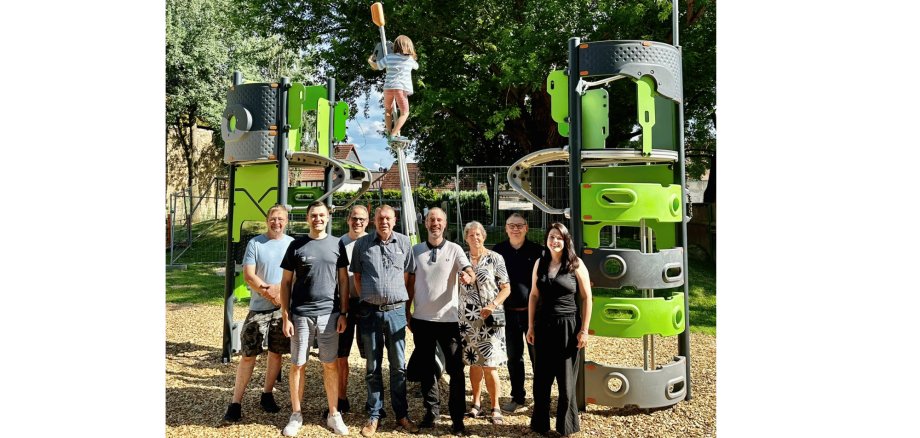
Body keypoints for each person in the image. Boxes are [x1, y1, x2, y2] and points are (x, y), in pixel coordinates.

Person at [279, 201, 349, 436]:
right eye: (313, 215)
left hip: (329, 315)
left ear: (328, 217)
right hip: (300, 315)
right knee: (298, 364)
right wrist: (285, 316)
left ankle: (333, 413)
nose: (318, 219)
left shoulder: (337, 244)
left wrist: (344, 312)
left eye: (321, 215)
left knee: (330, 365)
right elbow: (286, 283)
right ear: (307, 218)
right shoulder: (296, 245)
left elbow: (343, 281)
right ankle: (296, 414)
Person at [350, 204, 420, 437]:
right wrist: (369, 298)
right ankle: (375, 414)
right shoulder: (362, 245)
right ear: (374, 221)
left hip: (397, 312)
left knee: (398, 366)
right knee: (372, 366)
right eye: (380, 218)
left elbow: (409, 276)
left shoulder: (404, 243)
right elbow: (357, 277)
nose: (384, 222)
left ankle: (401, 414)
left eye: (388, 218)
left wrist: (406, 308)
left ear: (395, 219)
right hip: (370, 313)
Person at [223, 204, 294, 422]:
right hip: (259, 308)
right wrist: (269, 291)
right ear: (267, 220)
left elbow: (295, 275)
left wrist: (281, 297)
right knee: (248, 355)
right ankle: (236, 402)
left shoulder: (292, 244)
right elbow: (249, 276)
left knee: (276, 353)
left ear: (286, 221)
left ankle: (267, 393)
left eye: (281, 219)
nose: (277, 222)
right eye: (273, 218)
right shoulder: (255, 243)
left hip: (282, 310)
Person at [407, 208, 475, 435]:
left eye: (439, 220)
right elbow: (409, 284)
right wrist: (408, 311)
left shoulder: (454, 249)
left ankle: (457, 418)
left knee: (456, 370)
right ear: (426, 223)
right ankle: (431, 412)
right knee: (427, 369)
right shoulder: (415, 251)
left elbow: (468, 271)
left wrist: (467, 275)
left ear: (445, 224)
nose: (435, 223)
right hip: (422, 321)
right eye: (431, 220)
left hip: (448, 321)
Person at [526, 222, 593, 436]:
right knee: (542, 380)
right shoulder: (540, 263)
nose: (554, 241)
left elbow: (586, 297)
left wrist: (584, 330)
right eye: (551, 237)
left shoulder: (575, 264)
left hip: (568, 327)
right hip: (543, 326)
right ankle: (540, 425)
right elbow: (534, 295)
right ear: (547, 239)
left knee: (565, 383)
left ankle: (566, 426)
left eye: (559, 238)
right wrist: (530, 326)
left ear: (566, 241)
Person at [459, 221, 511, 425]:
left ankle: (495, 406)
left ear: (484, 236)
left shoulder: (495, 258)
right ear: (466, 238)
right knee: (473, 362)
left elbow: (506, 288)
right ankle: (476, 403)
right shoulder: (461, 258)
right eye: (471, 235)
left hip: (490, 318)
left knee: (490, 364)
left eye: (478, 234)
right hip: (468, 319)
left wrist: (493, 304)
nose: (475, 238)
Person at [491, 213, 544, 413]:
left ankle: (540, 397)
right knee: (514, 357)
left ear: (526, 228)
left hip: (534, 313)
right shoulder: (498, 251)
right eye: (511, 225)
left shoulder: (538, 251)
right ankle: (518, 396)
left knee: (537, 357)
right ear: (505, 228)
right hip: (509, 313)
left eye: (519, 225)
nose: (515, 229)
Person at [330, 205, 370, 418]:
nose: (358, 222)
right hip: (343, 304)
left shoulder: (371, 242)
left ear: (368, 221)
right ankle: (341, 398)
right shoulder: (339, 243)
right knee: (341, 354)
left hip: (365, 304)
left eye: (362, 219)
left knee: (371, 354)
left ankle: (372, 399)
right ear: (348, 219)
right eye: (354, 218)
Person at [367, 35, 419, 140]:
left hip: (388, 87)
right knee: (405, 112)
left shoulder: (389, 57)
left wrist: (370, 61)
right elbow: (416, 66)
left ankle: (389, 132)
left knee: (388, 110)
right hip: (400, 88)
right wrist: (412, 57)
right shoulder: (409, 60)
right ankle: (393, 135)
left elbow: (377, 66)